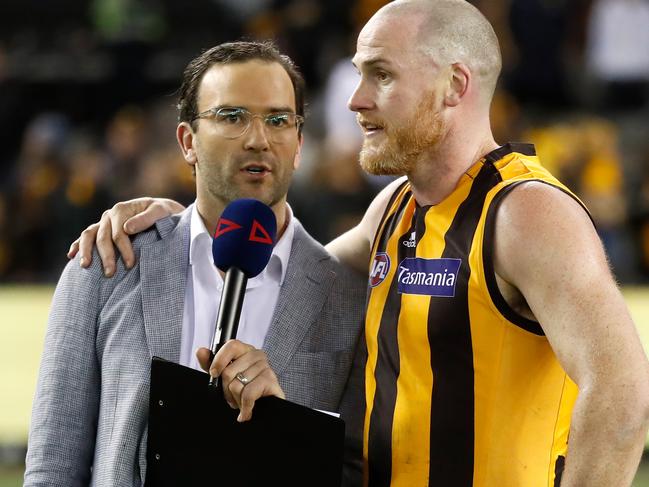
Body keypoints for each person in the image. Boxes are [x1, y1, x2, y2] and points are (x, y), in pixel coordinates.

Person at [70, 1, 649, 486]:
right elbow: (291, 268)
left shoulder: (525, 212)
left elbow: (623, 396)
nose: (355, 100)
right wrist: (183, 223)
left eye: (382, 75)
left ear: (454, 86)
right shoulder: (394, 210)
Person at [24, 41, 367, 486]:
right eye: (232, 117)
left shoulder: (350, 298)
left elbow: (359, 473)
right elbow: (53, 465)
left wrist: (285, 432)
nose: (258, 138)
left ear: (299, 144)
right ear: (188, 141)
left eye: (278, 120)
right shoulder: (105, 266)